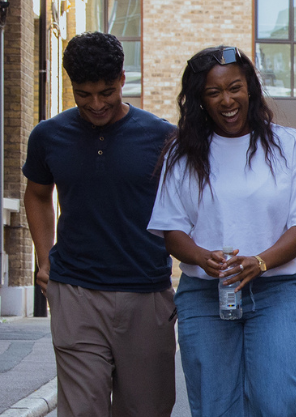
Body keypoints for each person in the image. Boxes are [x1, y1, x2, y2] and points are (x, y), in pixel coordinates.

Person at [147, 46, 296, 417]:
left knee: (279, 404)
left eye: (235, 88)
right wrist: (201, 257)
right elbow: (172, 232)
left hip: (277, 290)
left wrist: (259, 262)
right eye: (213, 92)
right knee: (216, 408)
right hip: (205, 293)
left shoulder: (288, 145)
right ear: (200, 99)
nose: (227, 100)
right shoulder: (182, 153)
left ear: (251, 90)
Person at [22, 31, 176, 416]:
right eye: (83, 94)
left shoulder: (163, 137)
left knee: (146, 409)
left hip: (146, 292)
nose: (96, 104)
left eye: (106, 92)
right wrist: (45, 259)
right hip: (75, 290)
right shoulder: (48, 136)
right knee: (81, 410)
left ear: (123, 79)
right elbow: (37, 194)